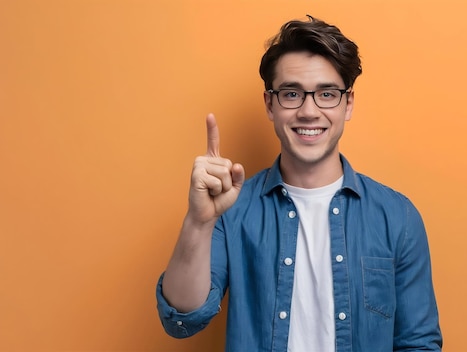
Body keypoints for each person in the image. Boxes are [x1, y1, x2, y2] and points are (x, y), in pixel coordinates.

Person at [156, 15, 443, 351]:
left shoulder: (397, 217)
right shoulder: (231, 212)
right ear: (270, 104)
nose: (309, 111)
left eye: (327, 94)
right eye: (292, 94)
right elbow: (182, 319)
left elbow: (418, 343)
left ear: (347, 104)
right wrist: (198, 221)